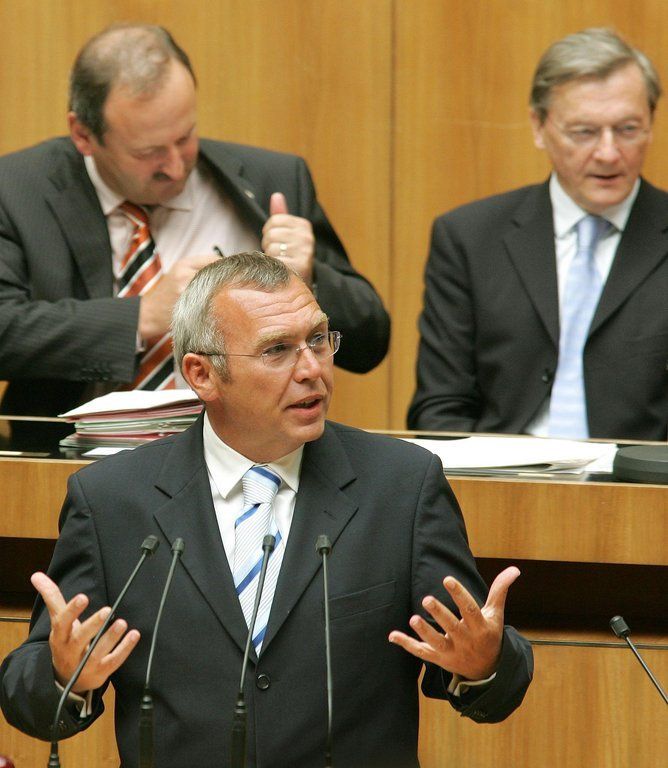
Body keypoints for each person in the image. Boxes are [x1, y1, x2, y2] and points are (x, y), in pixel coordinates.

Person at [0, 252, 532, 768]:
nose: (312, 369)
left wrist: (483, 665)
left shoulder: (401, 486)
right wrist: (64, 677)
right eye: (277, 350)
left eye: (318, 340)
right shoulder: (113, 500)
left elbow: (480, 663)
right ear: (202, 374)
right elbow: (29, 692)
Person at [0, 23, 389, 425]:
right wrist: (141, 318)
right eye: (148, 152)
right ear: (83, 135)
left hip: (247, 448)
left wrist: (309, 278)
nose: (175, 166)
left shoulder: (271, 180)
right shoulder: (15, 191)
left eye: (185, 137)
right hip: (72, 451)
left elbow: (371, 343)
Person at [408, 28, 668, 441]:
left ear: (651, 124)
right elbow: (440, 407)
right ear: (539, 126)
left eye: (628, 129)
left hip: (642, 477)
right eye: (583, 132)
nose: (608, 153)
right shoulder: (469, 238)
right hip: (501, 473)